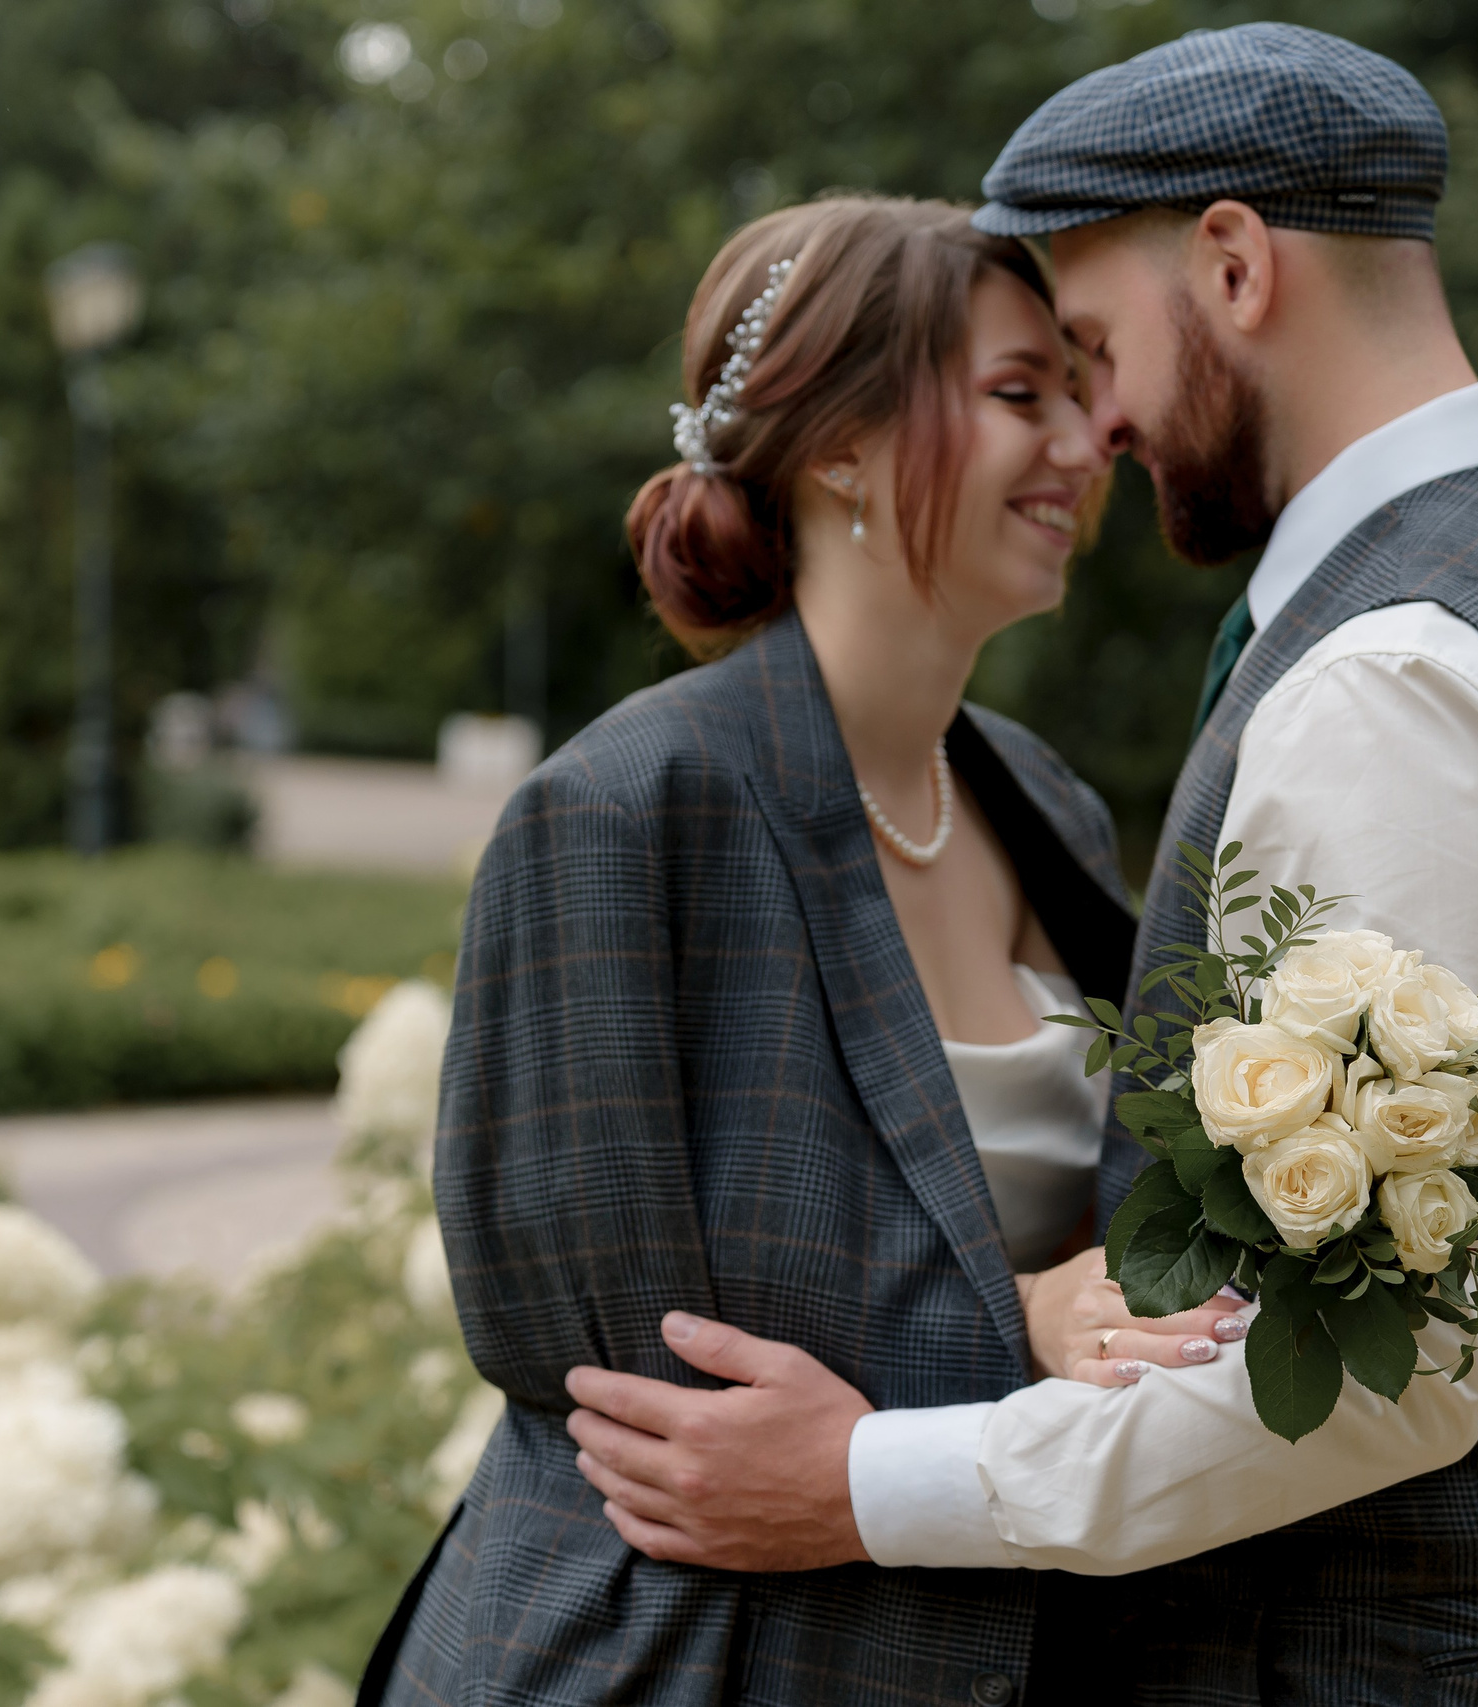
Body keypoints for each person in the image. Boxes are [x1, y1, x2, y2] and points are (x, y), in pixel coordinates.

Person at [561, 24, 1478, 1705]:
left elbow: (1376, 1372)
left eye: (1093, 349)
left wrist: (864, 1483)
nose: (1096, 429)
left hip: (1375, 1657)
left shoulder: (1388, 682)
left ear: (1235, 266)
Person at [357, 195, 1156, 1707]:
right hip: (673, 1659)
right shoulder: (618, 814)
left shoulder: (1047, 802)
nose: (1086, 438)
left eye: (1077, 389)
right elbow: (627, 1371)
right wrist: (1030, 1323)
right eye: (1017, 394)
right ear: (840, 446)